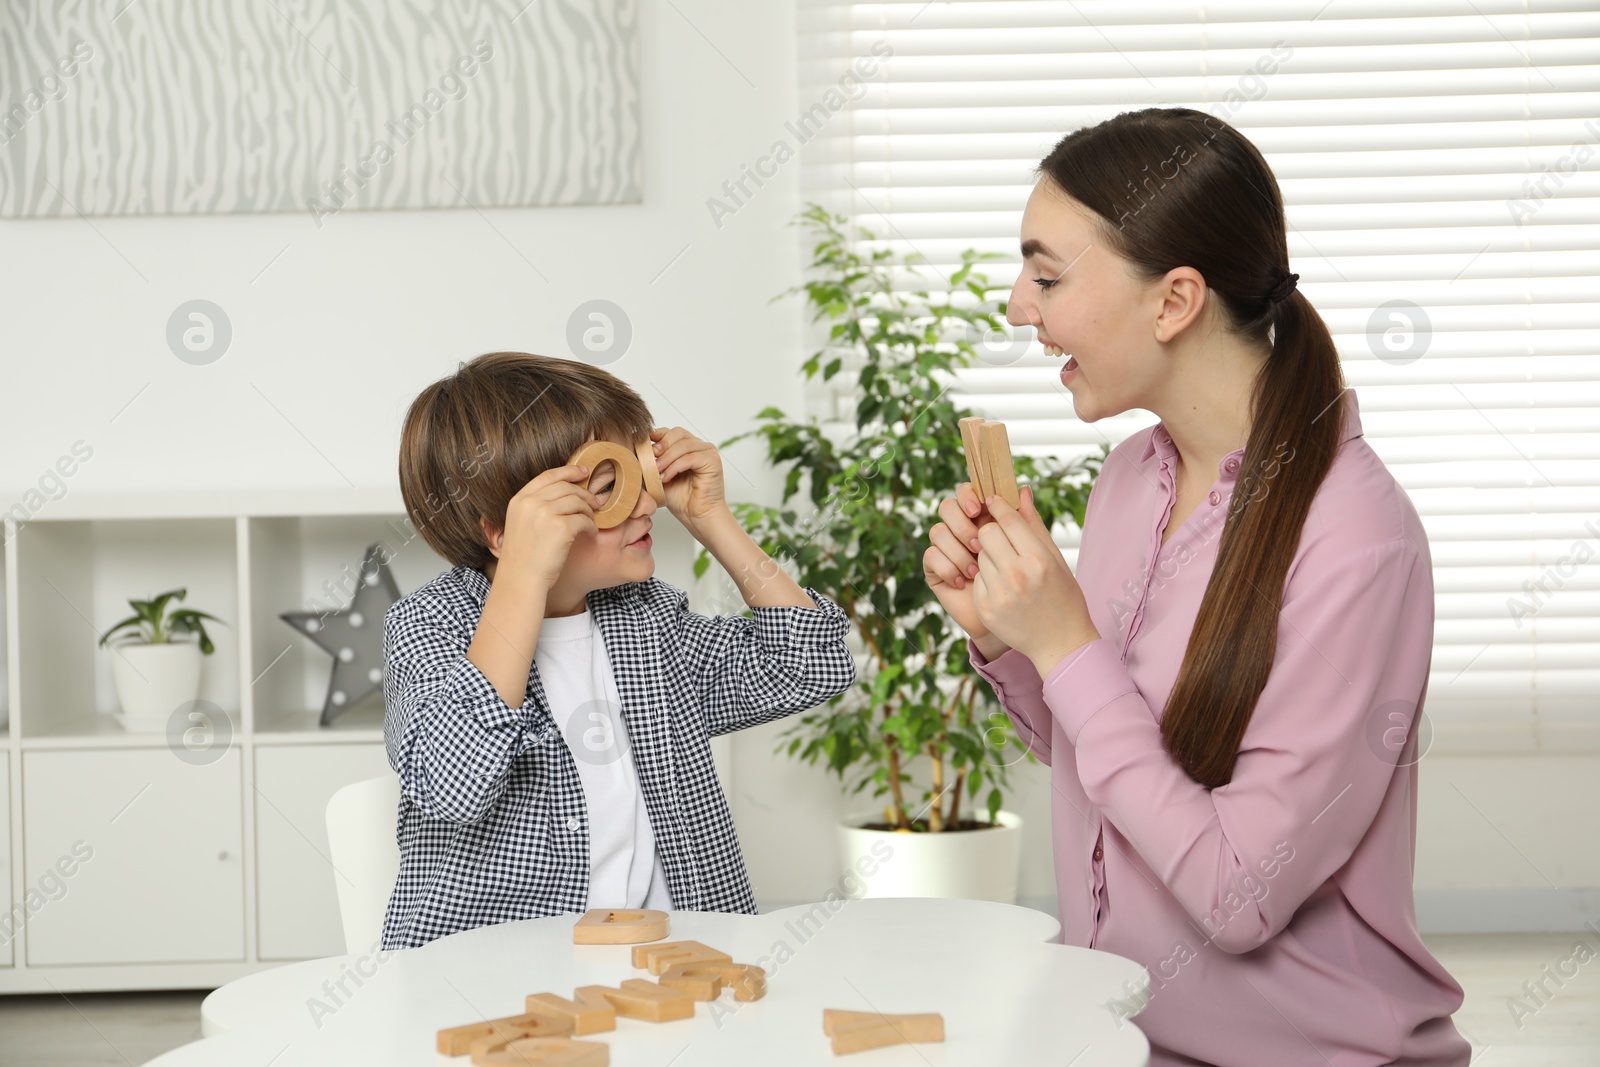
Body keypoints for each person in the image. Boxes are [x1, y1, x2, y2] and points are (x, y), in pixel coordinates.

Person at [923, 108, 1471, 1065]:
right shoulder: (1130, 478)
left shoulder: (1358, 542)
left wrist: (1065, 645)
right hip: (1120, 1038)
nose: (1018, 305)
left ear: (1175, 300)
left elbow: (1238, 894)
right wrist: (1012, 640)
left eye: (1047, 274)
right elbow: (1115, 770)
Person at [380, 351, 856, 950]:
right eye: (610, 489)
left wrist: (712, 520)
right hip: (496, 980)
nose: (647, 502)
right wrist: (523, 577)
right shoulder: (430, 626)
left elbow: (808, 667)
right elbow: (455, 786)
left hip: (670, 956)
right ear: (501, 531)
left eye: (642, 474)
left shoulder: (645, 619)